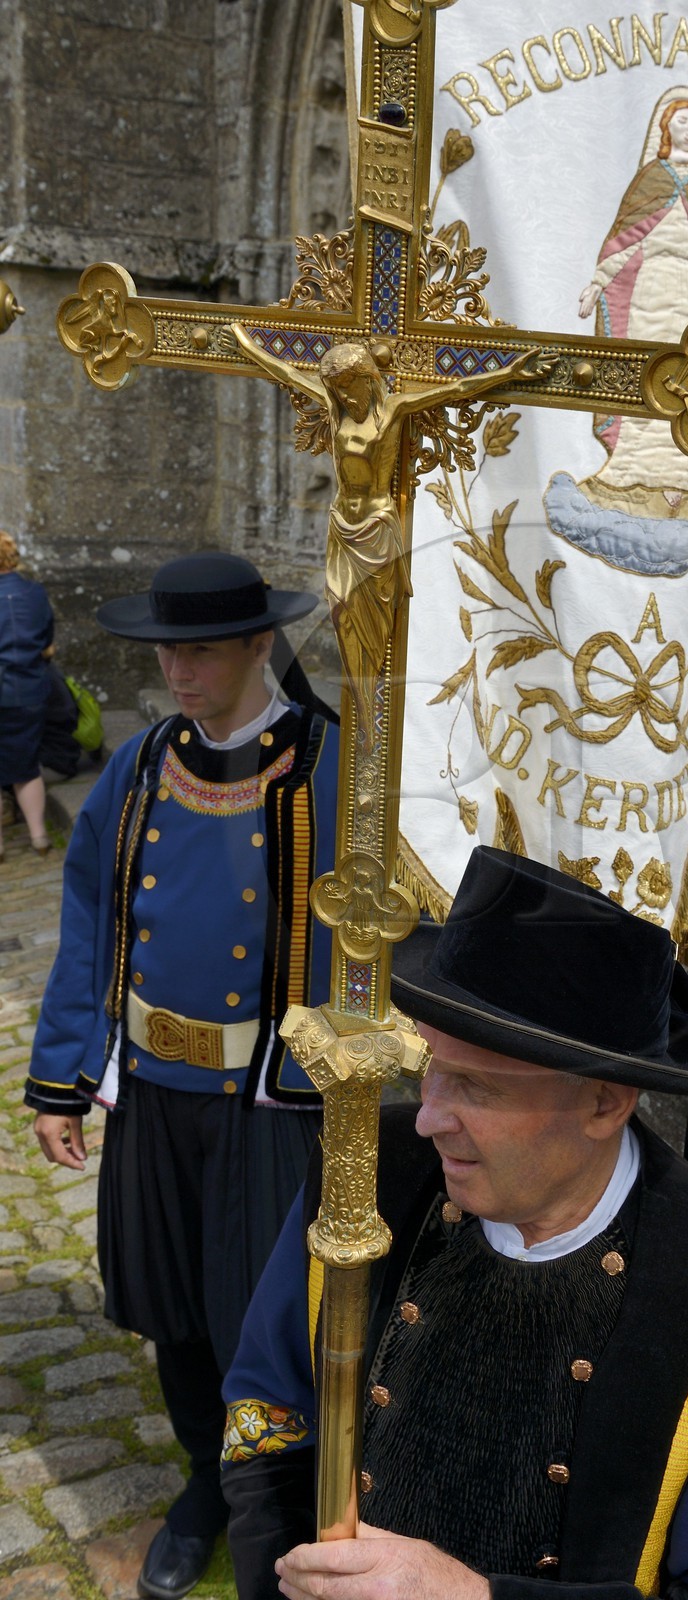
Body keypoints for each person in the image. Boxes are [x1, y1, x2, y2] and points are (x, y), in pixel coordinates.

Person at [220, 847, 688, 1600]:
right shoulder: (364, 1170)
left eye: (475, 1088)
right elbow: (267, 1411)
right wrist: (284, 1578)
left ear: (605, 1103)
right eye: (429, 1067)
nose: (426, 1118)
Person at [25, 551, 341, 1600]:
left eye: (201, 649)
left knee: (261, 1306)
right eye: (168, 651)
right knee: (172, 1305)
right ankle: (205, 1482)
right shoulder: (143, 761)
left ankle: (272, 1496)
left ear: (260, 643)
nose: (179, 672)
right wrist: (63, 1073)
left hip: (269, 1099)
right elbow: (89, 916)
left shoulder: (332, 765)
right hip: (155, 1090)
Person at [231, 328, 544, 721]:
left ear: (367, 379)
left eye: (348, 387)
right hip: (342, 526)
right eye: (337, 389)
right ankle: (362, 706)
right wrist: (246, 345)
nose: (343, 396)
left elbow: (456, 389)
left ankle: (369, 711)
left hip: (377, 529)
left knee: (377, 622)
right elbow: (289, 374)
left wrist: (510, 371)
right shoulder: (333, 409)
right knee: (341, 610)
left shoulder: (394, 410)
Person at [576, 87, 688, 523]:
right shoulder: (651, 179)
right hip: (650, 288)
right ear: (664, 127)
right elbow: (625, 240)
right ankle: (623, 473)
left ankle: (682, 478)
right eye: (682, 121)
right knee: (647, 376)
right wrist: (597, 283)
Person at [0, 530, 56, 860]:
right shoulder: (35, 592)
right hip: (30, 689)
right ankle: (39, 837)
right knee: (26, 767)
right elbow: (47, 638)